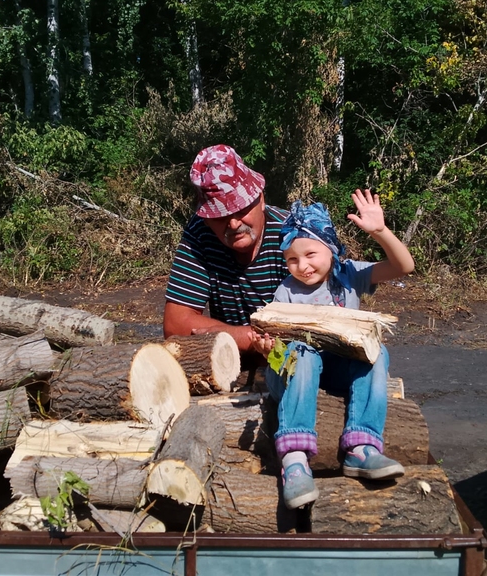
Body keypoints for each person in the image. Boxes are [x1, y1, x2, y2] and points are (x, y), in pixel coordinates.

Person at [252, 189, 415, 509]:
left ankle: (362, 448)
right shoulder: (285, 292)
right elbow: (280, 356)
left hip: (338, 371)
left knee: (377, 352)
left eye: (310, 254)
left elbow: (403, 266)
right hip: (296, 374)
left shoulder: (350, 274)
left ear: (330, 246)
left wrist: (380, 231)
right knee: (303, 353)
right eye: (292, 259)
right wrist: (268, 351)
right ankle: (294, 460)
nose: (302, 266)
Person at [163, 144, 289, 353]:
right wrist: (250, 339)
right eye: (220, 216)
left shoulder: (292, 234)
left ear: (261, 199)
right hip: (229, 362)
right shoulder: (200, 234)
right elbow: (175, 326)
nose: (233, 223)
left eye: (241, 209)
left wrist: (219, 334)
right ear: (206, 218)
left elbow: (318, 323)